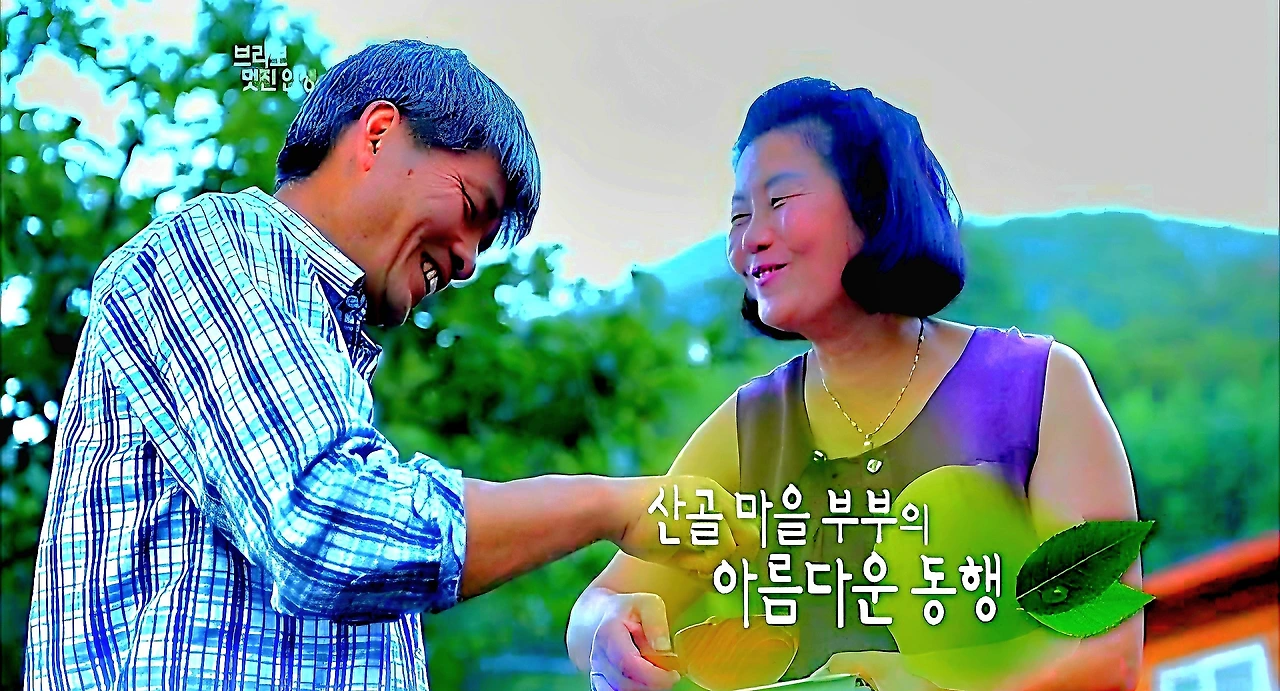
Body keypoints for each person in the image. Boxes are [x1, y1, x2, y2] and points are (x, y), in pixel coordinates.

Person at [24, 40, 754, 691]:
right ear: (377, 134)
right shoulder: (214, 250)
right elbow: (325, 521)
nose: (466, 261)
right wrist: (610, 505)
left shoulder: (319, 352)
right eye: (470, 206)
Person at [567, 78, 1144, 691]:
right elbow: (599, 606)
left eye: (780, 200)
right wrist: (609, 629)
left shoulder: (1036, 384)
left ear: (874, 203)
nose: (750, 239)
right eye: (739, 216)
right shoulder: (748, 430)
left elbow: (1104, 652)